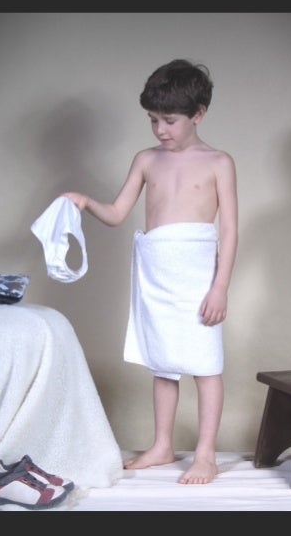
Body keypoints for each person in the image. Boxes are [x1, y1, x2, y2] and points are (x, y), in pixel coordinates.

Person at [62, 58, 238, 485]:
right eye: (153, 120)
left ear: (198, 114)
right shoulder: (146, 159)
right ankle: (161, 445)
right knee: (162, 362)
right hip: (156, 271)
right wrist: (86, 203)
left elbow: (230, 230)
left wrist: (219, 287)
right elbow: (117, 213)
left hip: (196, 273)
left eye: (170, 121)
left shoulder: (218, 162)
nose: (160, 129)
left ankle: (206, 454)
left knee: (205, 363)